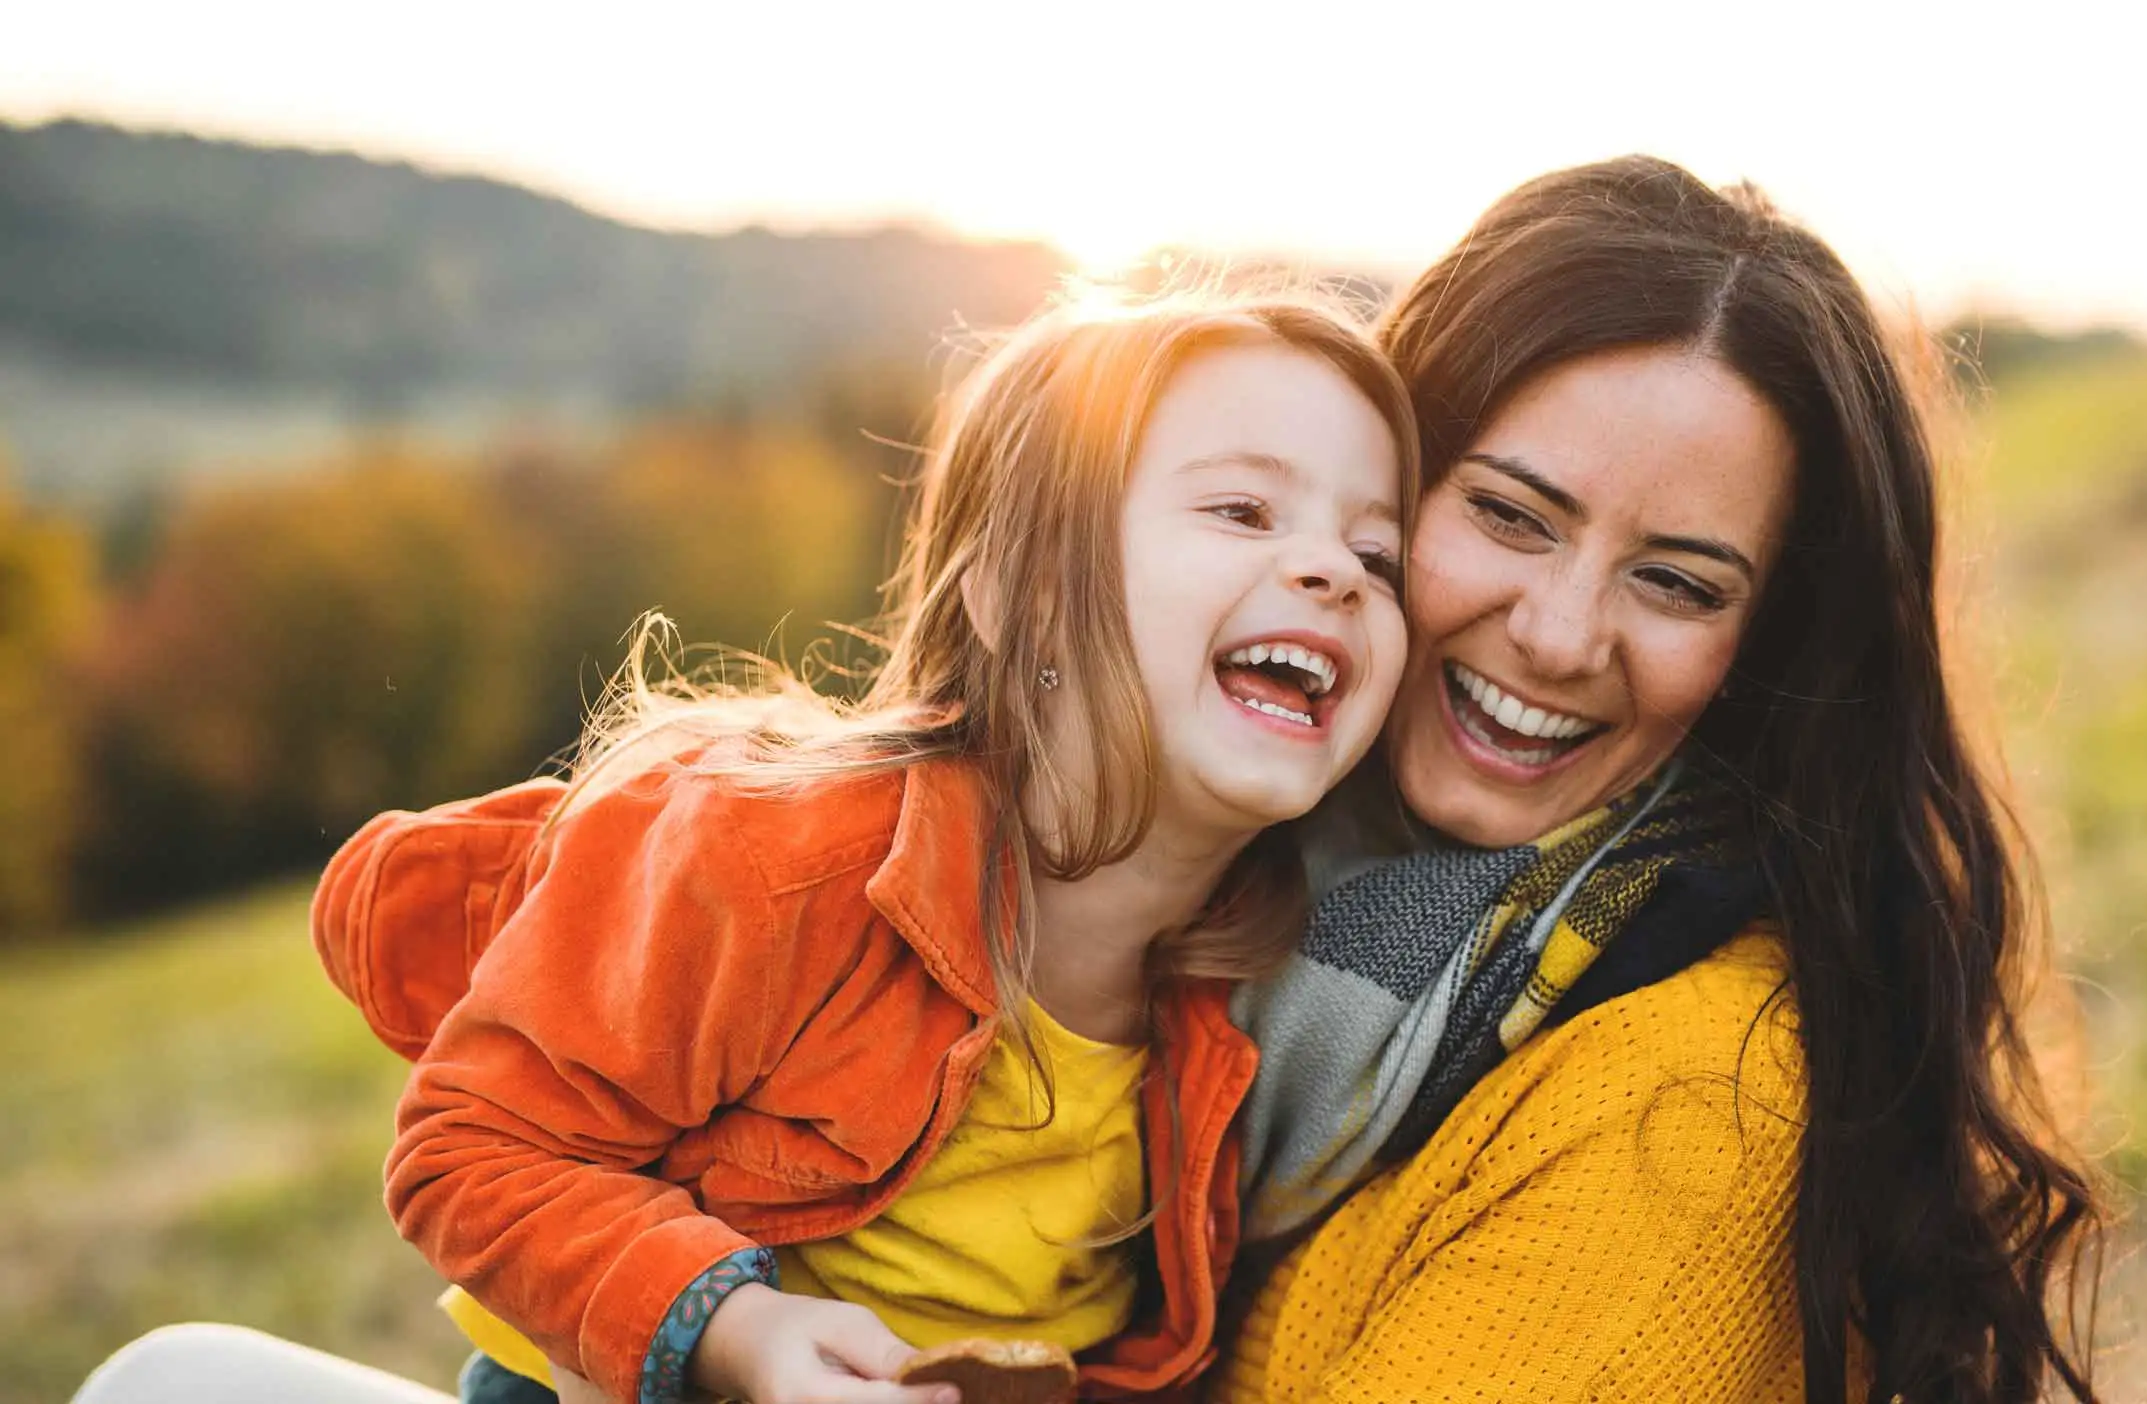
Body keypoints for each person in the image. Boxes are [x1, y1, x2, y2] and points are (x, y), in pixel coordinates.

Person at [320, 287, 1418, 1404]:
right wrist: (732, 1331)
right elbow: (470, 1150)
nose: (1333, 570)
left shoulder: (1263, 991)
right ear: (1022, 596)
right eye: (1243, 510)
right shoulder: (777, 857)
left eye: (1380, 556)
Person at [1212, 157, 2104, 1403]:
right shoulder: (1194, 872)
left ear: (1766, 649)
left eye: (1678, 583)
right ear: (1377, 485)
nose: (1562, 637)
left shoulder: (1682, 1104)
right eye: (1513, 516)